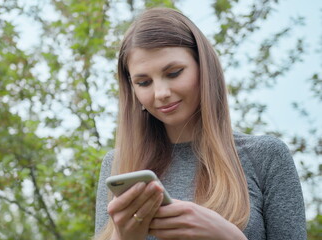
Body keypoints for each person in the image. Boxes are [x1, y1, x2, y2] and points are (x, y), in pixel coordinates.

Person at [93, 7, 306, 240]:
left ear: (203, 69)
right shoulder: (118, 165)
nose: (161, 93)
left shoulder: (266, 157)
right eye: (144, 82)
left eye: (174, 73)